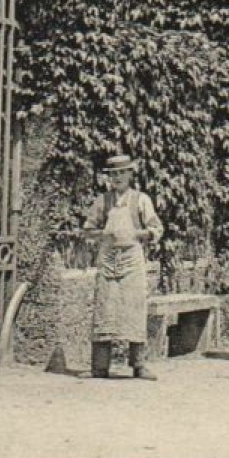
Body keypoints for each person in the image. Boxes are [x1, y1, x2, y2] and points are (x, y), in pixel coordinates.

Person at [82, 154, 163, 380]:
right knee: (104, 308)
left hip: (132, 257)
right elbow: (87, 229)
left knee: (135, 308)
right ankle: (99, 367)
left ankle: (138, 365)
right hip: (107, 257)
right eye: (113, 174)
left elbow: (156, 228)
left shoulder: (141, 200)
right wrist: (103, 235)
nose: (117, 178)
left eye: (121, 173)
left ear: (130, 174)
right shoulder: (103, 201)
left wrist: (137, 233)